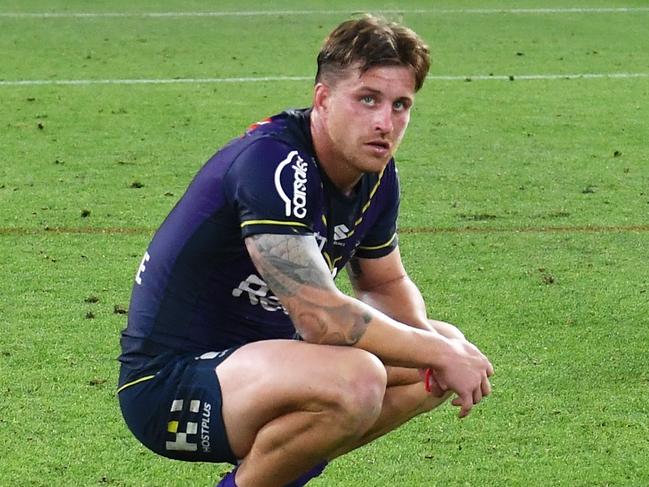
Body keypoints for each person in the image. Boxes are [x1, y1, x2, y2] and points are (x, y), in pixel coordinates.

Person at [117, 14, 493, 487]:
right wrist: (438, 351)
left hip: (264, 366)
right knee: (358, 379)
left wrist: (440, 353)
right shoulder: (274, 163)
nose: (385, 122)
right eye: (368, 99)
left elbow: (385, 282)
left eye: (401, 105)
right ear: (322, 99)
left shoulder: (375, 176)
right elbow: (322, 320)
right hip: (170, 387)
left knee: (432, 361)